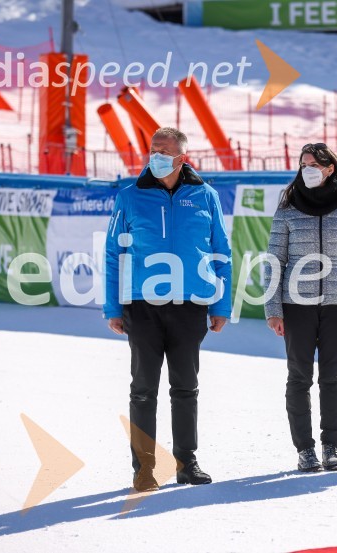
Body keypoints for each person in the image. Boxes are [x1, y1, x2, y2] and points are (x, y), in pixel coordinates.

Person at [104, 127, 232, 490]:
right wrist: (112, 306)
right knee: (143, 388)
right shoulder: (130, 195)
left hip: (190, 305)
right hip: (142, 306)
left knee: (186, 387)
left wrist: (221, 304)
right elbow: (113, 253)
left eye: (164, 149)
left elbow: (221, 252)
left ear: (182, 158)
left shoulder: (205, 195)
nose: (155, 154)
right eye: (152, 148)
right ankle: (144, 468)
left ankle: (186, 463)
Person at [264, 143, 337, 472]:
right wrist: (273, 308)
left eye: (313, 164)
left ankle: (331, 446)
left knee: (332, 376)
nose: (306, 169)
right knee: (298, 377)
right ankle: (305, 449)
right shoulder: (287, 208)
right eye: (302, 164)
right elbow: (274, 261)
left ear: (330, 169)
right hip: (295, 305)